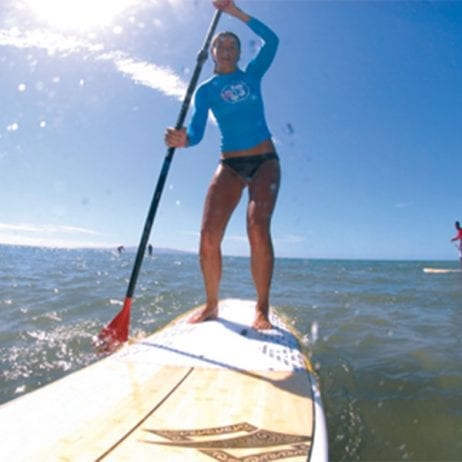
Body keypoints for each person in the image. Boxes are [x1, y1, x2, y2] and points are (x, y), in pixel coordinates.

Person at [164, 0, 280, 330]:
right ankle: (212, 305)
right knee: (208, 236)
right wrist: (182, 139)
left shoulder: (252, 75)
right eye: (221, 45)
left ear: (239, 53)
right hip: (229, 164)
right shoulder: (206, 91)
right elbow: (197, 133)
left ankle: (262, 309)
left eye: (232, 45)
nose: (227, 49)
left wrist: (235, 13)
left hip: (264, 162)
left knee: (257, 226)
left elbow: (273, 41)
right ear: (212, 52)